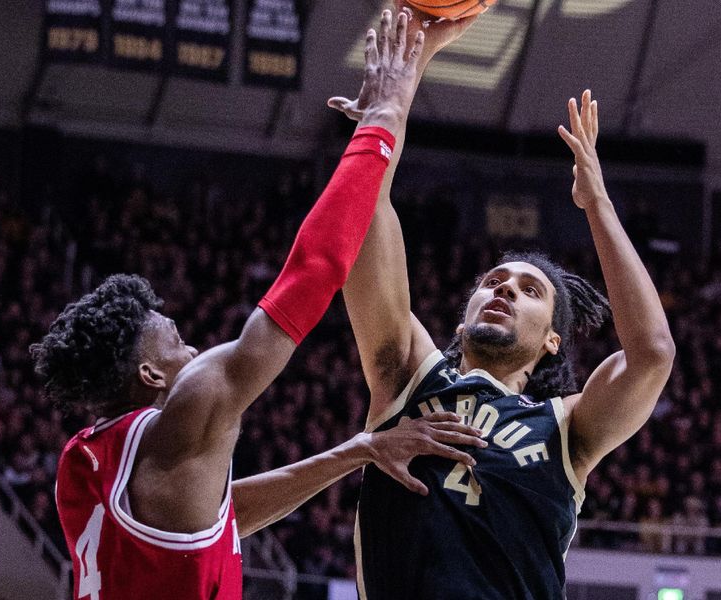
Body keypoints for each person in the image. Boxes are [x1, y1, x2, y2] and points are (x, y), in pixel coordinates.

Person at [33, 12, 486, 600]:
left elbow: (225, 518)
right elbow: (310, 275)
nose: (194, 350)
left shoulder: (88, 460)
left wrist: (361, 449)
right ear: (148, 374)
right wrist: (382, 119)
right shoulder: (187, 412)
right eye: (176, 342)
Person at [332, 21, 676, 596]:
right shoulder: (406, 378)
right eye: (494, 280)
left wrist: (596, 203)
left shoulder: (567, 428)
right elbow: (368, 217)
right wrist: (387, 111)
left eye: (528, 290)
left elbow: (652, 354)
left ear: (552, 342)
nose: (503, 289)